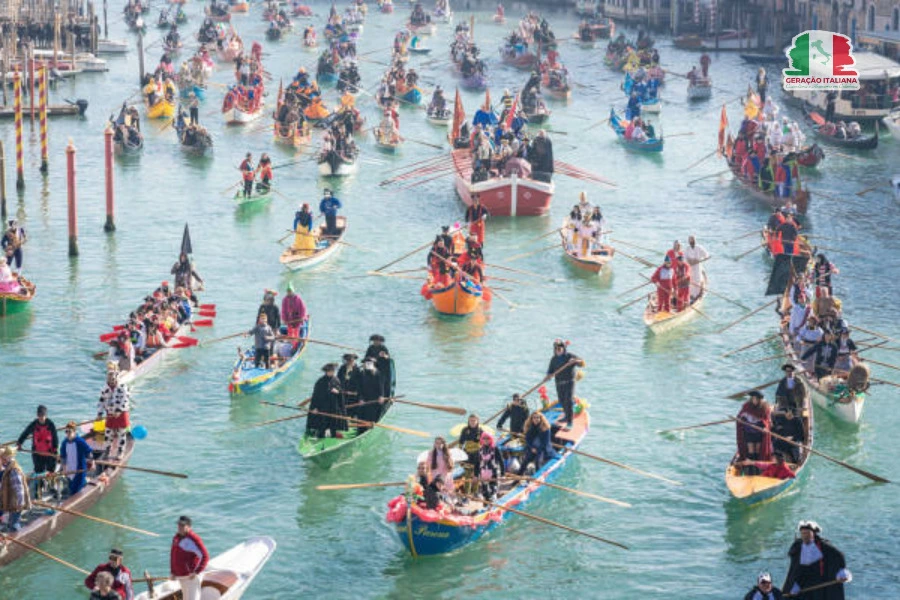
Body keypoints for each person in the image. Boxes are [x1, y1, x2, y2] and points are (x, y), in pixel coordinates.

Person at [783, 521, 851, 599]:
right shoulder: (797, 548)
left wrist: (841, 572)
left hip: (819, 583)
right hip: (802, 584)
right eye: (803, 533)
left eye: (807, 533)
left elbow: (838, 556)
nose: (805, 536)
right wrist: (793, 584)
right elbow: (794, 569)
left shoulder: (824, 546)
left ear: (814, 534)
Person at [546, 339, 585, 430]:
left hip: (569, 382)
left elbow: (582, 363)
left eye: (560, 347)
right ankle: (566, 416)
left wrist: (575, 361)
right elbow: (550, 370)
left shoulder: (569, 356)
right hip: (559, 383)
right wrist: (548, 376)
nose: (558, 349)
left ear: (563, 348)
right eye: (556, 348)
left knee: (568, 401)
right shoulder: (553, 359)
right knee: (562, 401)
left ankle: (570, 422)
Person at [170, 515, 210, 600]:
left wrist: (196, 572)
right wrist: (173, 572)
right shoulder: (176, 538)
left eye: (182, 525)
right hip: (181, 576)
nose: (179, 527)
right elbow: (173, 555)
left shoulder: (194, 539)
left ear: (189, 527)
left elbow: (205, 556)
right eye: (179, 525)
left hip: (191, 576)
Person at [97, 365, 131, 461]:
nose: (111, 379)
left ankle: (120, 451)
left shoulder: (123, 387)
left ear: (116, 376)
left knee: (121, 433)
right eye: (109, 377)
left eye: (113, 377)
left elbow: (125, 399)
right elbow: (101, 401)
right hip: (110, 414)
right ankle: (107, 450)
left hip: (121, 414)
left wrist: (119, 410)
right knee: (108, 433)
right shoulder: (105, 388)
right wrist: (99, 413)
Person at [306, 363, 347, 438]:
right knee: (322, 425)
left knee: (333, 425)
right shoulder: (320, 382)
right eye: (330, 371)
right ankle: (321, 436)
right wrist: (315, 408)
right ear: (326, 371)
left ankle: (333, 436)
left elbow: (340, 393)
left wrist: (338, 392)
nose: (332, 372)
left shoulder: (336, 380)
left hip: (334, 407)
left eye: (333, 371)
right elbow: (315, 396)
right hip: (323, 408)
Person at [17, 405, 59, 476]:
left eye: (43, 415)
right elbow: (26, 433)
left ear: (46, 415)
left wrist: (55, 451)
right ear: (37, 415)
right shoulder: (34, 424)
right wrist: (19, 443)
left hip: (49, 453)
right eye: (39, 415)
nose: (41, 417)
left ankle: (51, 483)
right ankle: (40, 485)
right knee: (39, 472)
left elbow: (55, 438)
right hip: (37, 453)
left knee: (51, 471)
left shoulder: (51, 424)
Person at [0, 446, 31, 532]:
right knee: (10, 521)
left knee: (14, 523)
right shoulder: (7, 467)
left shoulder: (13, 470)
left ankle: (18, 536)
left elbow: (19, 489)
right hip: (11, 499)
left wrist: (20, 503)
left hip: (16, 501)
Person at [736, 391, 773, 463]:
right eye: (753, 399)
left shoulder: (764, 408)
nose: (754, 401)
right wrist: (739, 420)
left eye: (756, 399)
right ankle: (750, 469)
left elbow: (767, 420)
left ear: (760, 400)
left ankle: (757, 467)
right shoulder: (746, 406)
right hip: (749, 431)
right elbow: (741, 416)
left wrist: (766, 427)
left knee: (758, 450)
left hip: (759, 432)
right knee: (751, 450)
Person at [59, 421, 93, 496]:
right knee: (71, 487)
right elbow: (63, 457)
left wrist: (92, 463)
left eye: (69, 431)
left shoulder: (80, 441)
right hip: (69, 470)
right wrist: (64, 469)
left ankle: (83, 483)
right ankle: (84, 482)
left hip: (79, 470)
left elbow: (89, 452)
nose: (67, 433)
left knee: (75, 491)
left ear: (74, 431)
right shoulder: (64, 443)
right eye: (66, 431)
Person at [477, 432, 504, 500]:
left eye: (488, 438)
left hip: (494, 472)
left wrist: (503, 474)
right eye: (484, 438)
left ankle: (494, 499)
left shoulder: (495, 449)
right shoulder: (480, 450)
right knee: (485, 491)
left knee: (493, 490)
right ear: (482, 440)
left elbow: (501, 461)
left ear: (491, 439)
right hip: (483, 473)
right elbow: (477, 463)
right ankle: (486, 503)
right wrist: (475, 475)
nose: (486, 440)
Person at [684, 235, 709, 301]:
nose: (691, 241)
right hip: (690, 267)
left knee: (697, 279)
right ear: (689, 241)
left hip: (697, 267)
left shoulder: (699, 248)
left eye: (693, 240)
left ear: (695, 240)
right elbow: (685, 258)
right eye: (690, 240)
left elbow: (706, 255)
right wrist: (690, 261)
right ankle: (691, 296)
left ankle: (697, 295)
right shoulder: (687, 249)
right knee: (691, 280)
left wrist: (698, 260)